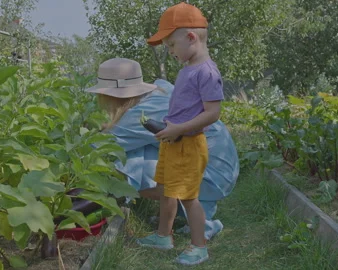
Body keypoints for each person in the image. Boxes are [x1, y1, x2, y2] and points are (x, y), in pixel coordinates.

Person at [85, 56, 236, 265]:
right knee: (159, 176)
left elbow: (100, 146)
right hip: (215, 161)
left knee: (128, 167)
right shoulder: (159, 90)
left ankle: (200, 235)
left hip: (208, 168)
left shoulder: (141, 113)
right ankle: (167, 232)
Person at [142, 2, 223, 265]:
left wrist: (178, 129)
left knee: (189, 198)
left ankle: (199, 246)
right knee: (166, 190)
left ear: (191, 37)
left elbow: (212, 113)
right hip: (174, 141)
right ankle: (164, 236)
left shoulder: (207, 72)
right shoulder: (188, 68)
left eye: (171, 46)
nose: (171, 52)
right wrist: (168, 128)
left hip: (188, 144)